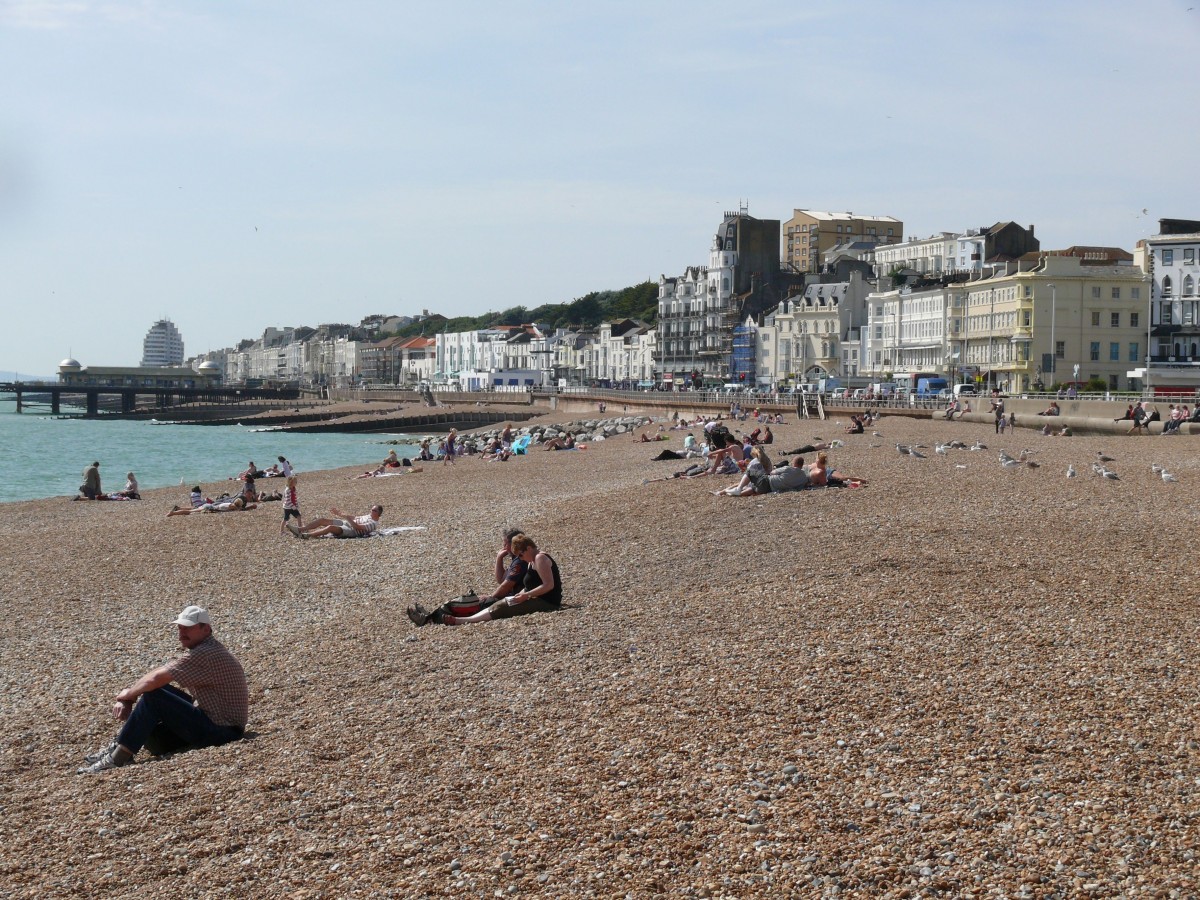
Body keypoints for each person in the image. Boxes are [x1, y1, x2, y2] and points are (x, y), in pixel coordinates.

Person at [77, 605, 247, 774]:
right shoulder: (209, 649)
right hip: (221, 725)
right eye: (180, 628)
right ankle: (119, 745)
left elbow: (155, 678)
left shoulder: (206, 653)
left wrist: (127, 696)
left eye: (188, 628)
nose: (181, 633)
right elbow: (159, 675)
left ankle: (118, 758)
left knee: (154, 696)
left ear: (206, 629)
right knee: (156, 695)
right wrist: (130, 697)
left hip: (224, 731)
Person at [425, 534, 562, 626]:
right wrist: (521, 594)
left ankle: (461, 621)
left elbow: (549, 585)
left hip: (548, 601)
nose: (520, 558)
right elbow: (529, 584)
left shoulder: (540, 558)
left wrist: (525, 595)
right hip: (536, 597)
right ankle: (463, 619)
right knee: (504, 602)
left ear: (529, 548)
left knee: (503, 607)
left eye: (520, 555)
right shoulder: (531, 561)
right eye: (517, 557)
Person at [406, 528, 528, 626]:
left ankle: (428, 620)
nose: (504, 547)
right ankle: (429, 617)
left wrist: (491, 597)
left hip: (508, 600)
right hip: (505, 597)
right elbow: (501, 580)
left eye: (505, 544)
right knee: (459, 603)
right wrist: (499, 558)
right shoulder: (516, 559)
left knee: (460, 604)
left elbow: (506, 586)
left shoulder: (520, 561)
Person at [287, 504, 382, 539]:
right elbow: (354, 517)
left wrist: (347, 518)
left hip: (352, 531)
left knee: (330, 528)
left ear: (378, 514)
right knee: (323, 520)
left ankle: (308, 535)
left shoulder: (373, 524)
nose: (371, 511)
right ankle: (301, 529)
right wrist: (340, 514)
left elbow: (358, 527)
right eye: (372, 509)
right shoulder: (369, 516)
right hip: (347, 523)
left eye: (374, 510)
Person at [168, 497, 255, 515]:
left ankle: (176, 510)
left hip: (209, 506)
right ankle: (173, 513)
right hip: (208, 507)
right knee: (190, 512)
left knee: (192, 509)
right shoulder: (233, 507)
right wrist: (251, 507)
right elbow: (241, 510)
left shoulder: (230, 505)